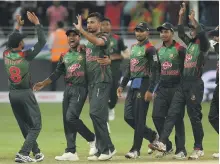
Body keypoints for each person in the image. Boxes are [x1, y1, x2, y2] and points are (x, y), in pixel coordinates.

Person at [149, 3, 210, 160]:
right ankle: (162, 142)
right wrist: (181, 16)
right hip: (183, 84)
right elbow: (180, 30)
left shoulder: (203, 45)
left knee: (194, 117)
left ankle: (198, 147)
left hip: (195, 84)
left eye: (194, 29)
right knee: (172, 113)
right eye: (191, 28)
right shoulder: (189, 44)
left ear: (199, 30)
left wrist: (195, 21)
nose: (191, 30)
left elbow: (202, 35)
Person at [33, 28, 102, 161]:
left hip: (80, 88)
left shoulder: (85, 52)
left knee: (71, 117)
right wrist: (44, 83)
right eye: (69, 36)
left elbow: (95, 48)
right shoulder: (64, 55)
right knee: (67, 120)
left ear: (79, 37)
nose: (71, 38)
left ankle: (92, 139)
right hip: (68, 89)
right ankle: (71, 151)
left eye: (74, 35)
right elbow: (57, 72)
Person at [3, 12, 46, 163]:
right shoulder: (25, 54)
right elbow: (42, 41)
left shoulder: (6, 53)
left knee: (24, 124)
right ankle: (23, 152)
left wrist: (18, 26)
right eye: (22, 40)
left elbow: (11, 39)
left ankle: (37, 152)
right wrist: (37, 24)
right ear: (20, 44)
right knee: (36, 125)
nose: (23, 42)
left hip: (12, 94)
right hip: (25, 93)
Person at [73, 12, 116, 161]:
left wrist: (81, 31)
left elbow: (99, 43)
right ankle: (101, 149)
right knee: (96, 115)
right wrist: (83, 49)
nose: (89, 25)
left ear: (99, 24)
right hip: (92, 82)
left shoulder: (104, 36)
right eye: (87, 23)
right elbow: (92, 48)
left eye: (92, 22)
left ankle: (109, 148)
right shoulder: (89, 42)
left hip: (102, 80)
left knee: (96, 113)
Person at [117, 22, 159, 159]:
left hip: (144, 83)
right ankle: (152, 136)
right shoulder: (134, 47)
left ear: (147, 32)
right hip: (133, 84)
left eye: (141, 31)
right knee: (128, 117)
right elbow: (129, 69)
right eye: (137, 31)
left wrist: (150, 89)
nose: (138, 33)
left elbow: (155, 70)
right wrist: (122, 85)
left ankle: (135, 150)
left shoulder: (150, 49)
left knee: (140, 118)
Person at [152, 22, 186, 159]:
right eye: (161, 32)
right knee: (156, 116)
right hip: (162, 88)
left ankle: (181, 150)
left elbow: (187, 68)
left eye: (166, 32)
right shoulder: (158, 50)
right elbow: (157, 70)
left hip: (177, 87)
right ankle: (167, 145)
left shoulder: (180, 49)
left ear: (172, 33)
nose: (163, 35)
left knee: (178, 118)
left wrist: (185, 88)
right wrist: (155, 88)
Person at [101, 17, 129, 121]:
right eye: (103, 24)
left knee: (114, 92)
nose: (105, 27)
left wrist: (115, 57)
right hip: (100, 70)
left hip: (114, 69)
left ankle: (111, 107)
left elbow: (127, 53)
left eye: (107, 24)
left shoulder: (117, 39)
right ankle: (100, 113)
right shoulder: (95, 40)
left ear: (110, 26)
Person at [48, 21, 69, 91]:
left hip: (55, 58)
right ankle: (68, 90)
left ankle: (53, 91)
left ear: (57, 25)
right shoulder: (67, 35)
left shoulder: (53, 34)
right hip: (65, 59)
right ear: (63, 26)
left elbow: (50, 47)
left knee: (54, 76)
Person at [208, 25, 219, 158]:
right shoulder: (217, 46)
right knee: (212, 116)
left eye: (217, 34)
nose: (215, 37)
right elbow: (206, 42)